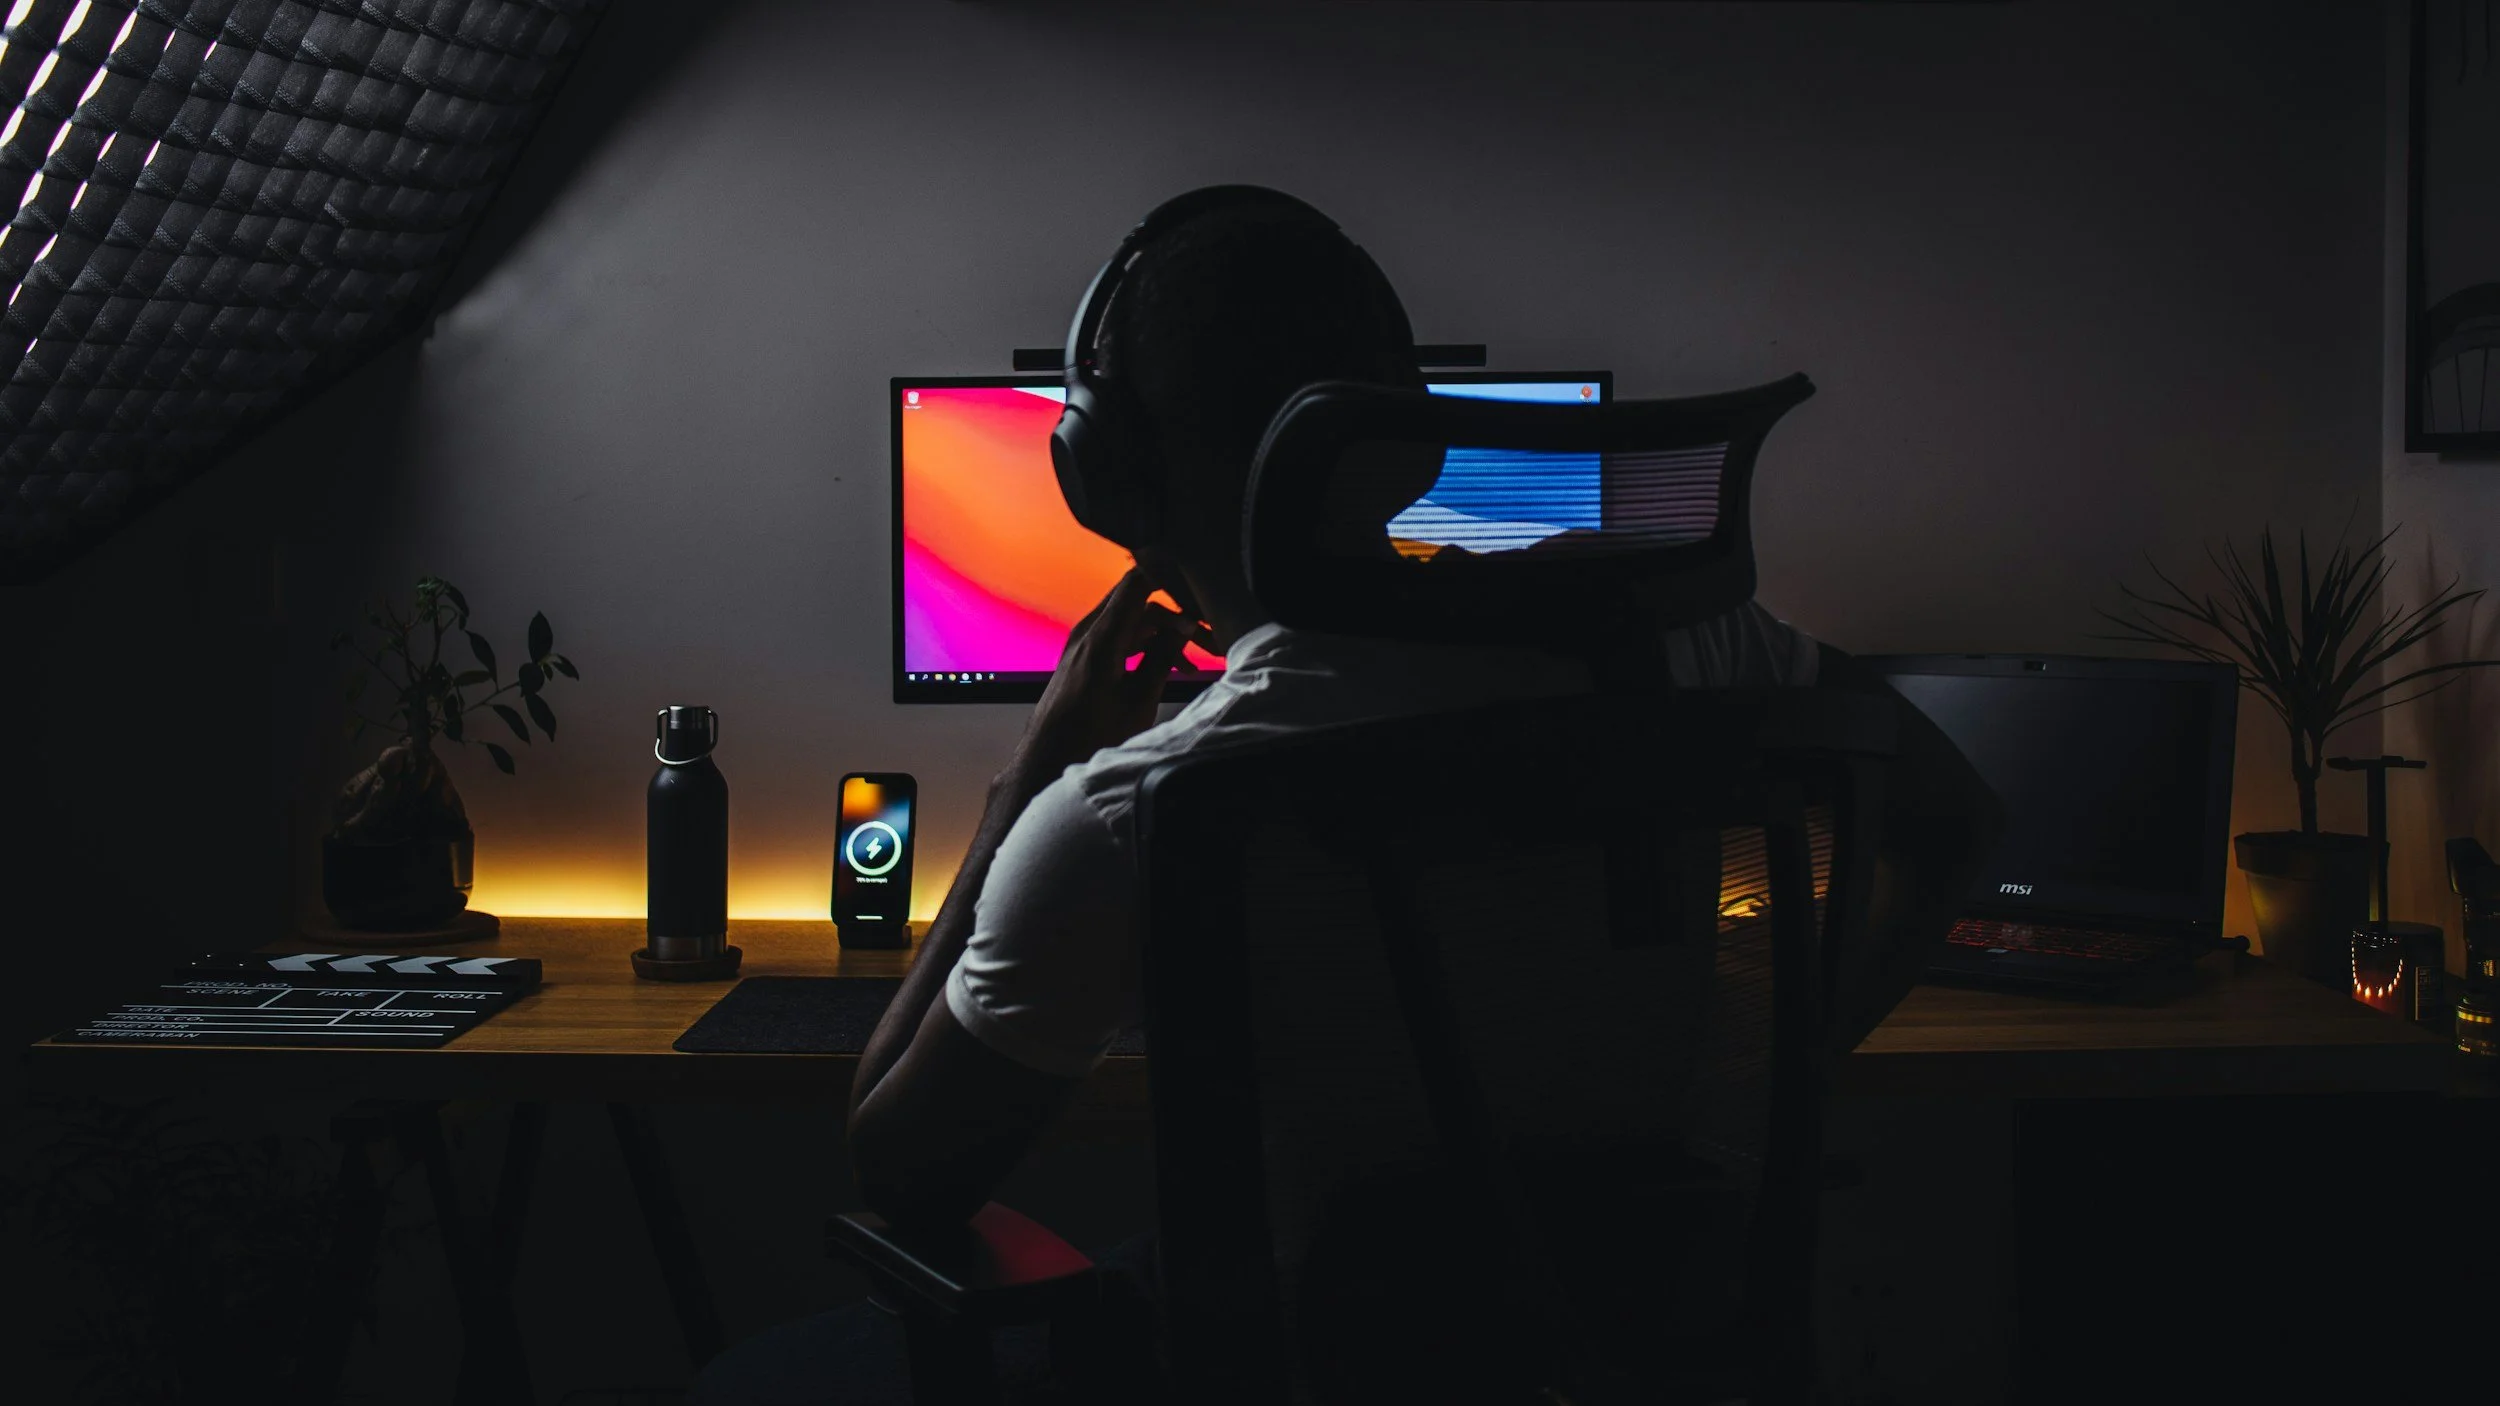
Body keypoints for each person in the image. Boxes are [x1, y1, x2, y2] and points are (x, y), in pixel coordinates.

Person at [695, 187, 1998, 1404]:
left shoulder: (1131, 809)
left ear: (1106, 475)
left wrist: (1040, 760)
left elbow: (906, 1168)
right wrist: (1779, 1074)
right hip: (1655, 1329)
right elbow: (1962, 824)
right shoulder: (1708, 647)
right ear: (1402, 429)